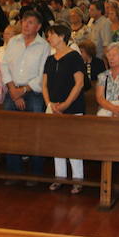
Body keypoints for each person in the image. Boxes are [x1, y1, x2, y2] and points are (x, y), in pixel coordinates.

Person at [0, 11, 50, 181]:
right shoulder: (13, 41)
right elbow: (4, 66)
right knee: (11, 132)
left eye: (30, 22)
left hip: (33, 93)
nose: (25, 25)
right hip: (12, 91)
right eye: (24, 22)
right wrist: (13, 89)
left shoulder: (44, 46)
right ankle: (13, 171)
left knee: (35, 132)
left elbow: (42, 73)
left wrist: (24, 90)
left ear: (38, 26)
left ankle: (35, 173)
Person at [42, 23, 86, 194]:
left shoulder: (74, 57)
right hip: (52, 106)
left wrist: (66, 104)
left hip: (72, 106)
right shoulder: (50, 59)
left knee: (73, 144)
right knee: (56, 144)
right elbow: (44, 84)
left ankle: (77, 179)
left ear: (61, 36)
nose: (48, 38)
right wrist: (49, 103)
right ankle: (59, 177)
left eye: (51, 35)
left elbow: (79, 83)